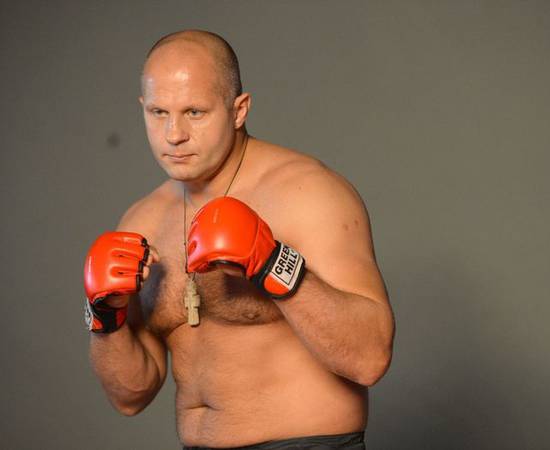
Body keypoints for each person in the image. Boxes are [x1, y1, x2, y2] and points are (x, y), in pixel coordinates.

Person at [84, 29, 395, 450]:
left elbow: (370, 358)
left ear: (238, 110)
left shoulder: (307, 192)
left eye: (194, 112)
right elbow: (130, 396)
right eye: (158, 113)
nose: (173, 134)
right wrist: (105, 317)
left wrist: (271, 263)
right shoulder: (142, 220)